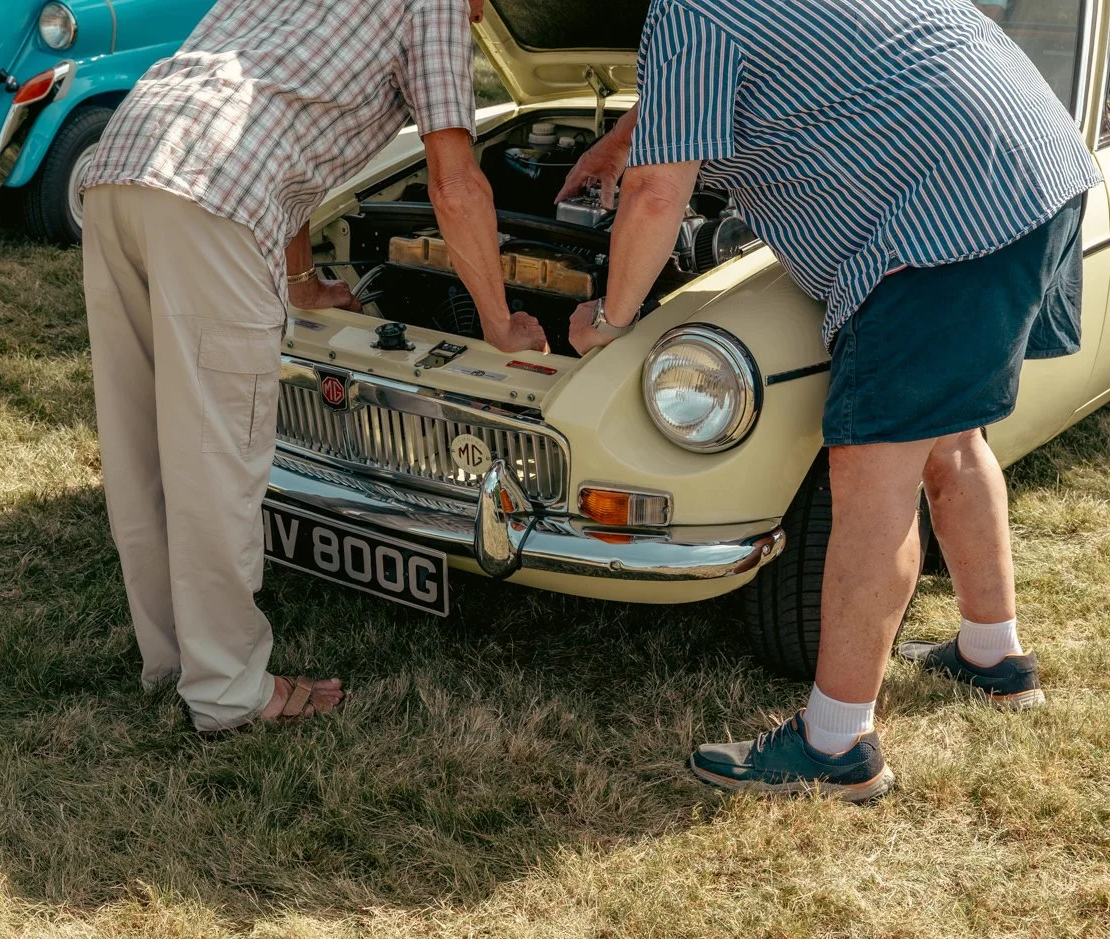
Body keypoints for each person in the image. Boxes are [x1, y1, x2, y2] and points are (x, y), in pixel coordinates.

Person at [558, 0, 1099, 800]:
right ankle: (996, 656)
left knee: (873, 477)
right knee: (950, 437)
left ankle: (837, 745)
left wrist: (610, 319)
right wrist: (615, 144)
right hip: (1035, 172)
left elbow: (654, 197)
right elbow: (696, 91)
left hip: (943, 218)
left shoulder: (688, 9)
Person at [79, 0, 547, 733]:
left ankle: (171, 659)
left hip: (122, 162)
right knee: (215, 457)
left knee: (140, 436)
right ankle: (230, 693)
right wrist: (500, 321)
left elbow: (280, 131)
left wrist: (302, 283)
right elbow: (455, 185)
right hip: (215, 195)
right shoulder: (435, 6)